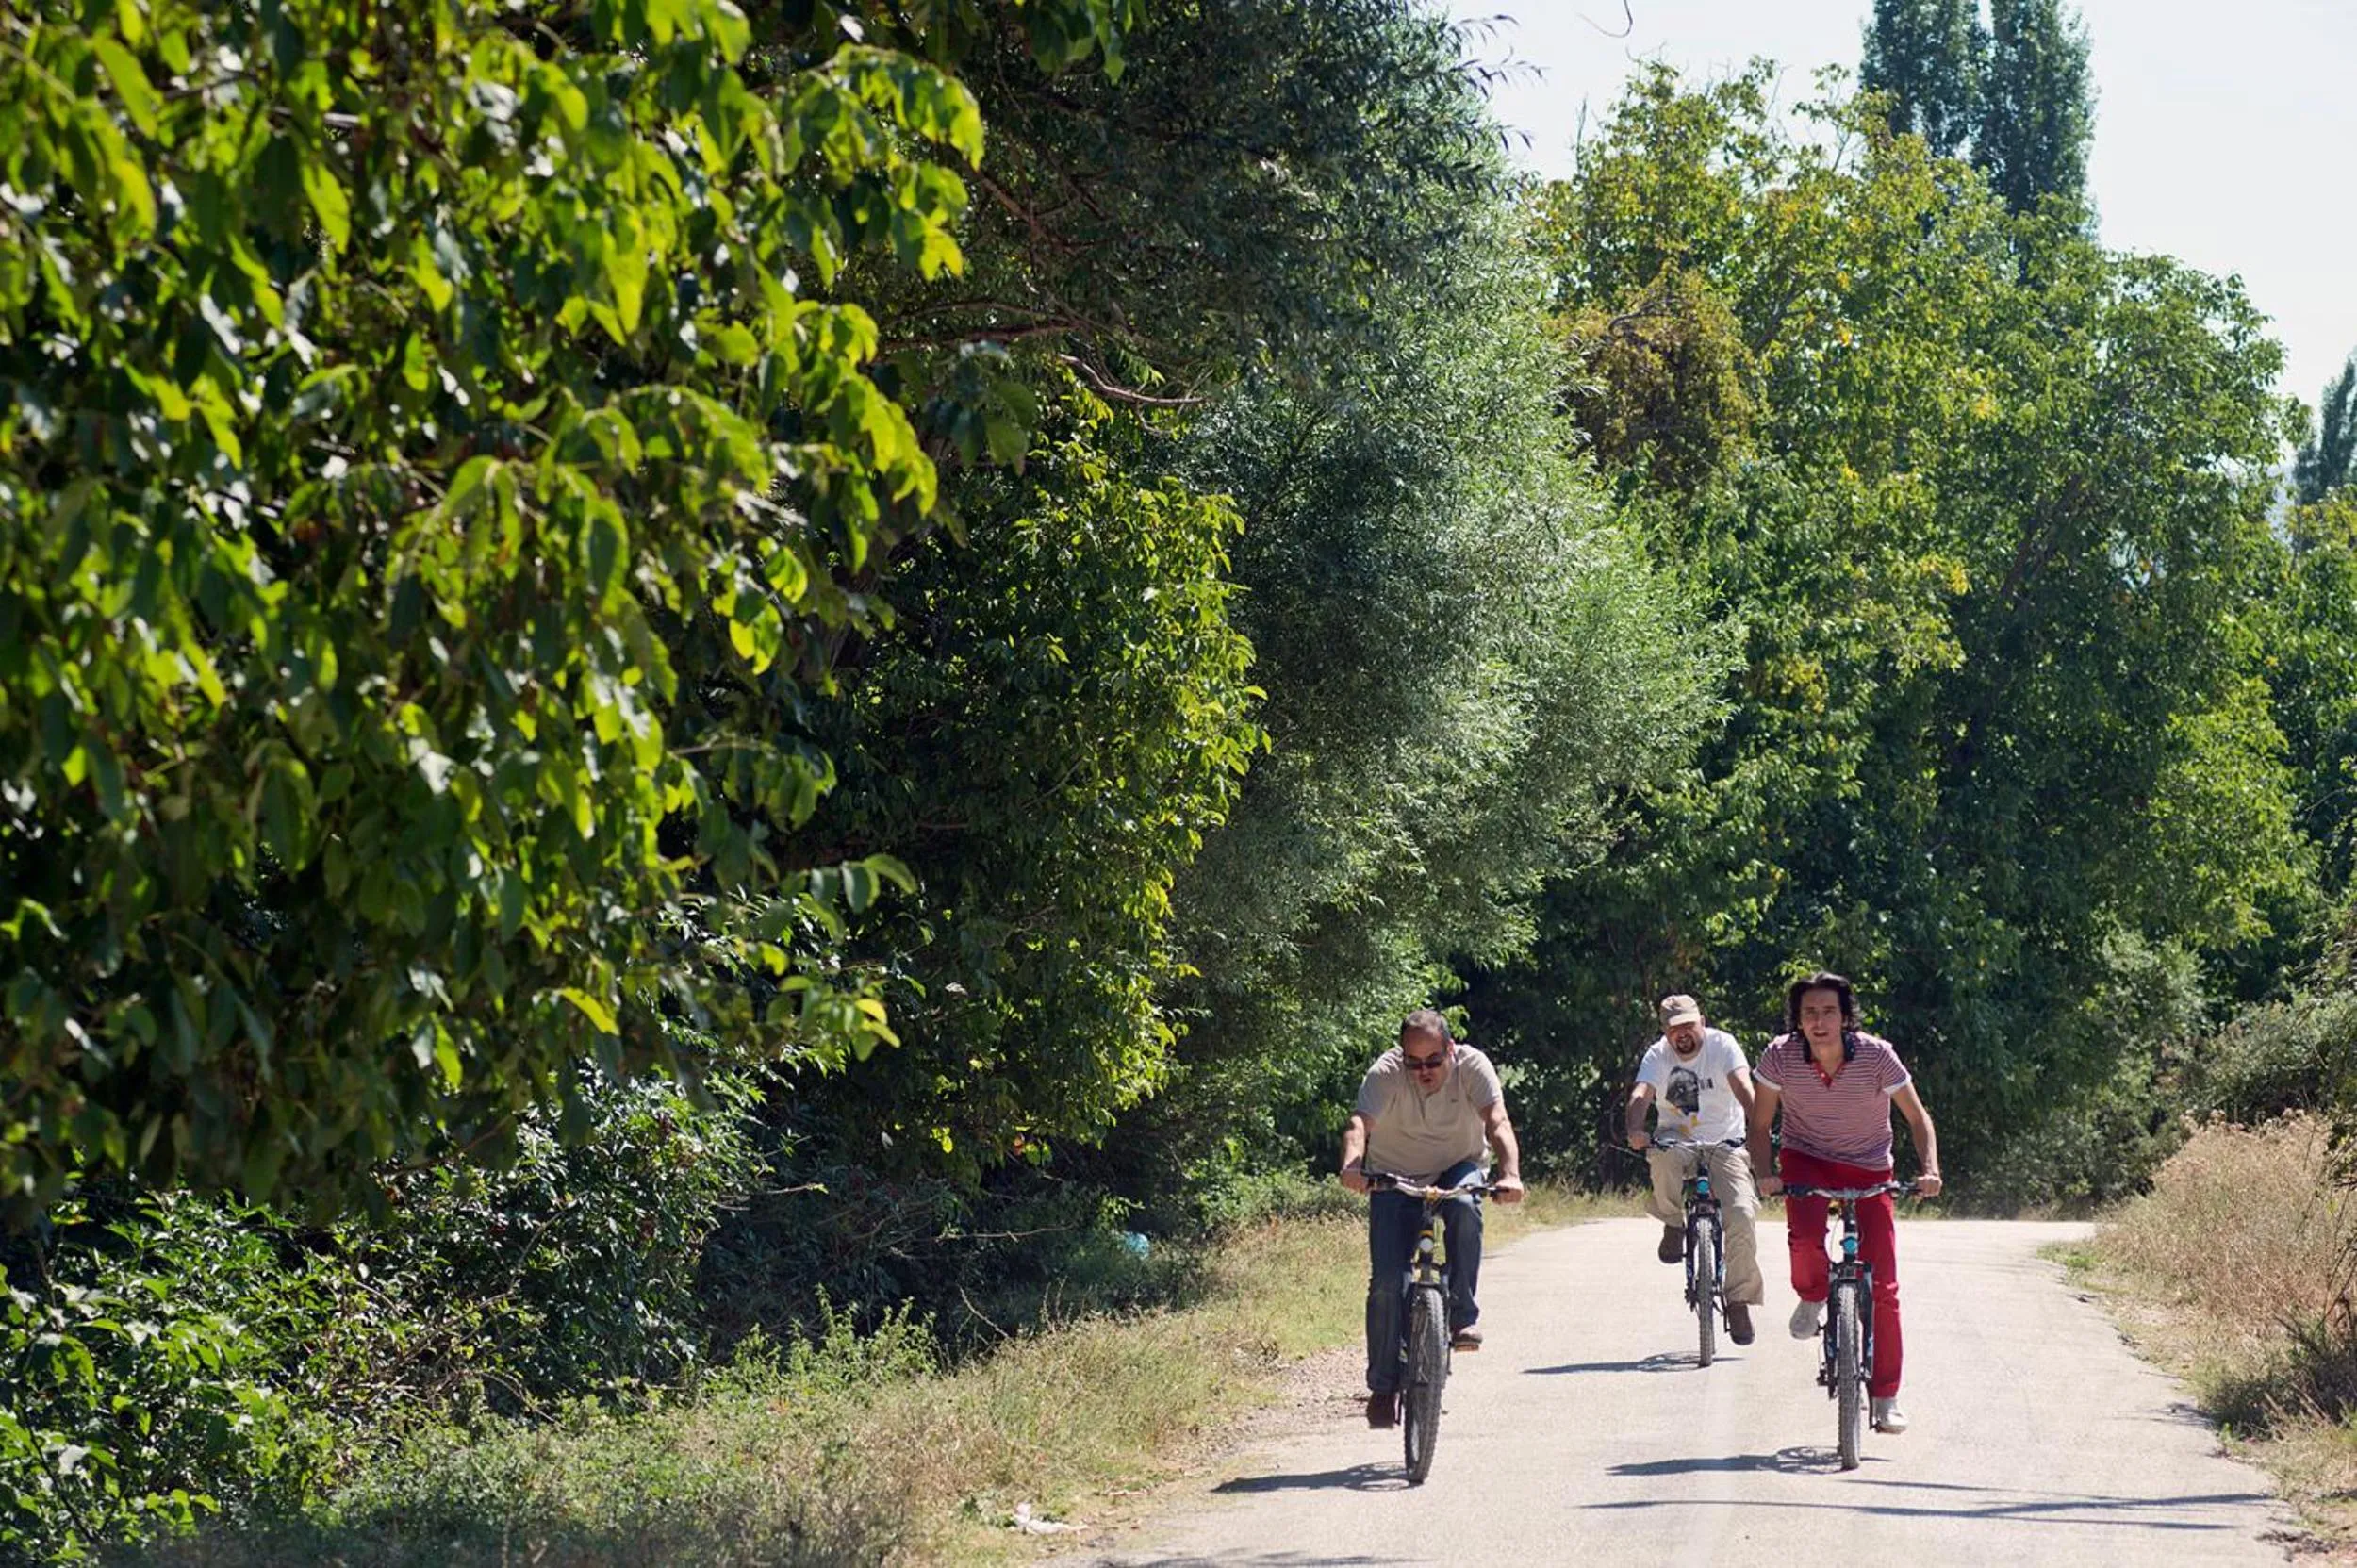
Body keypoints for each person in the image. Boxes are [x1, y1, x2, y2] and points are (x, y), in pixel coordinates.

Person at [1749, 970, 1943, 1435]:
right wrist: (1765, 1173)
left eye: (1828, 1012)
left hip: (1870, 1166)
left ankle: (1886, 1397)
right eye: (1809, 1013)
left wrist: (1930, 1169)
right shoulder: (1780, 1055)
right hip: (1806, 1160)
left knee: (1885, 1287)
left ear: (1845, 1017)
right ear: (1798, 1020)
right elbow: (1760, 1124)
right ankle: (1813, 1295)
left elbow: (1917, 1118)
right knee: (1805, 1239)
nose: (1819, 1022)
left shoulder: (1877, 1056)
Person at [1339, 1009, 1525, 1428]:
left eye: (1433, 1061)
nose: (1423, 1071)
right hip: (1394, 1175)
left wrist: (1510, 1174)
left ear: (1451, 1050)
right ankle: (1383, 1388)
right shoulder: (1386, 1072)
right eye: (1414, 1062)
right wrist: (1352, 1166)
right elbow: (1358, 1123)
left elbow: (1497, 1121)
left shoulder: (1473, 1067)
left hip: (1457, 1166)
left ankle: (1461, 1316)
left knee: (1464, 1208)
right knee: (1387, 1282)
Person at [1623, 993, 1761, 1345]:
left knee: (1742, 1214)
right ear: (1665, 1032)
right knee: (1662, 1158)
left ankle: (1738, 1301)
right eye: (1674, 1029)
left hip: (1725, 1142)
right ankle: (1673, 1223)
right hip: (1677, 1138)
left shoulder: (1723, 1045)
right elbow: (1641, 1094)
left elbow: (1743, 1087)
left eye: (1689, 1025)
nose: (1682, 1034)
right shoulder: (1658, 1055)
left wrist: (1760, 1125)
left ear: (1702, 1021)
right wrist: (1635, 1128)